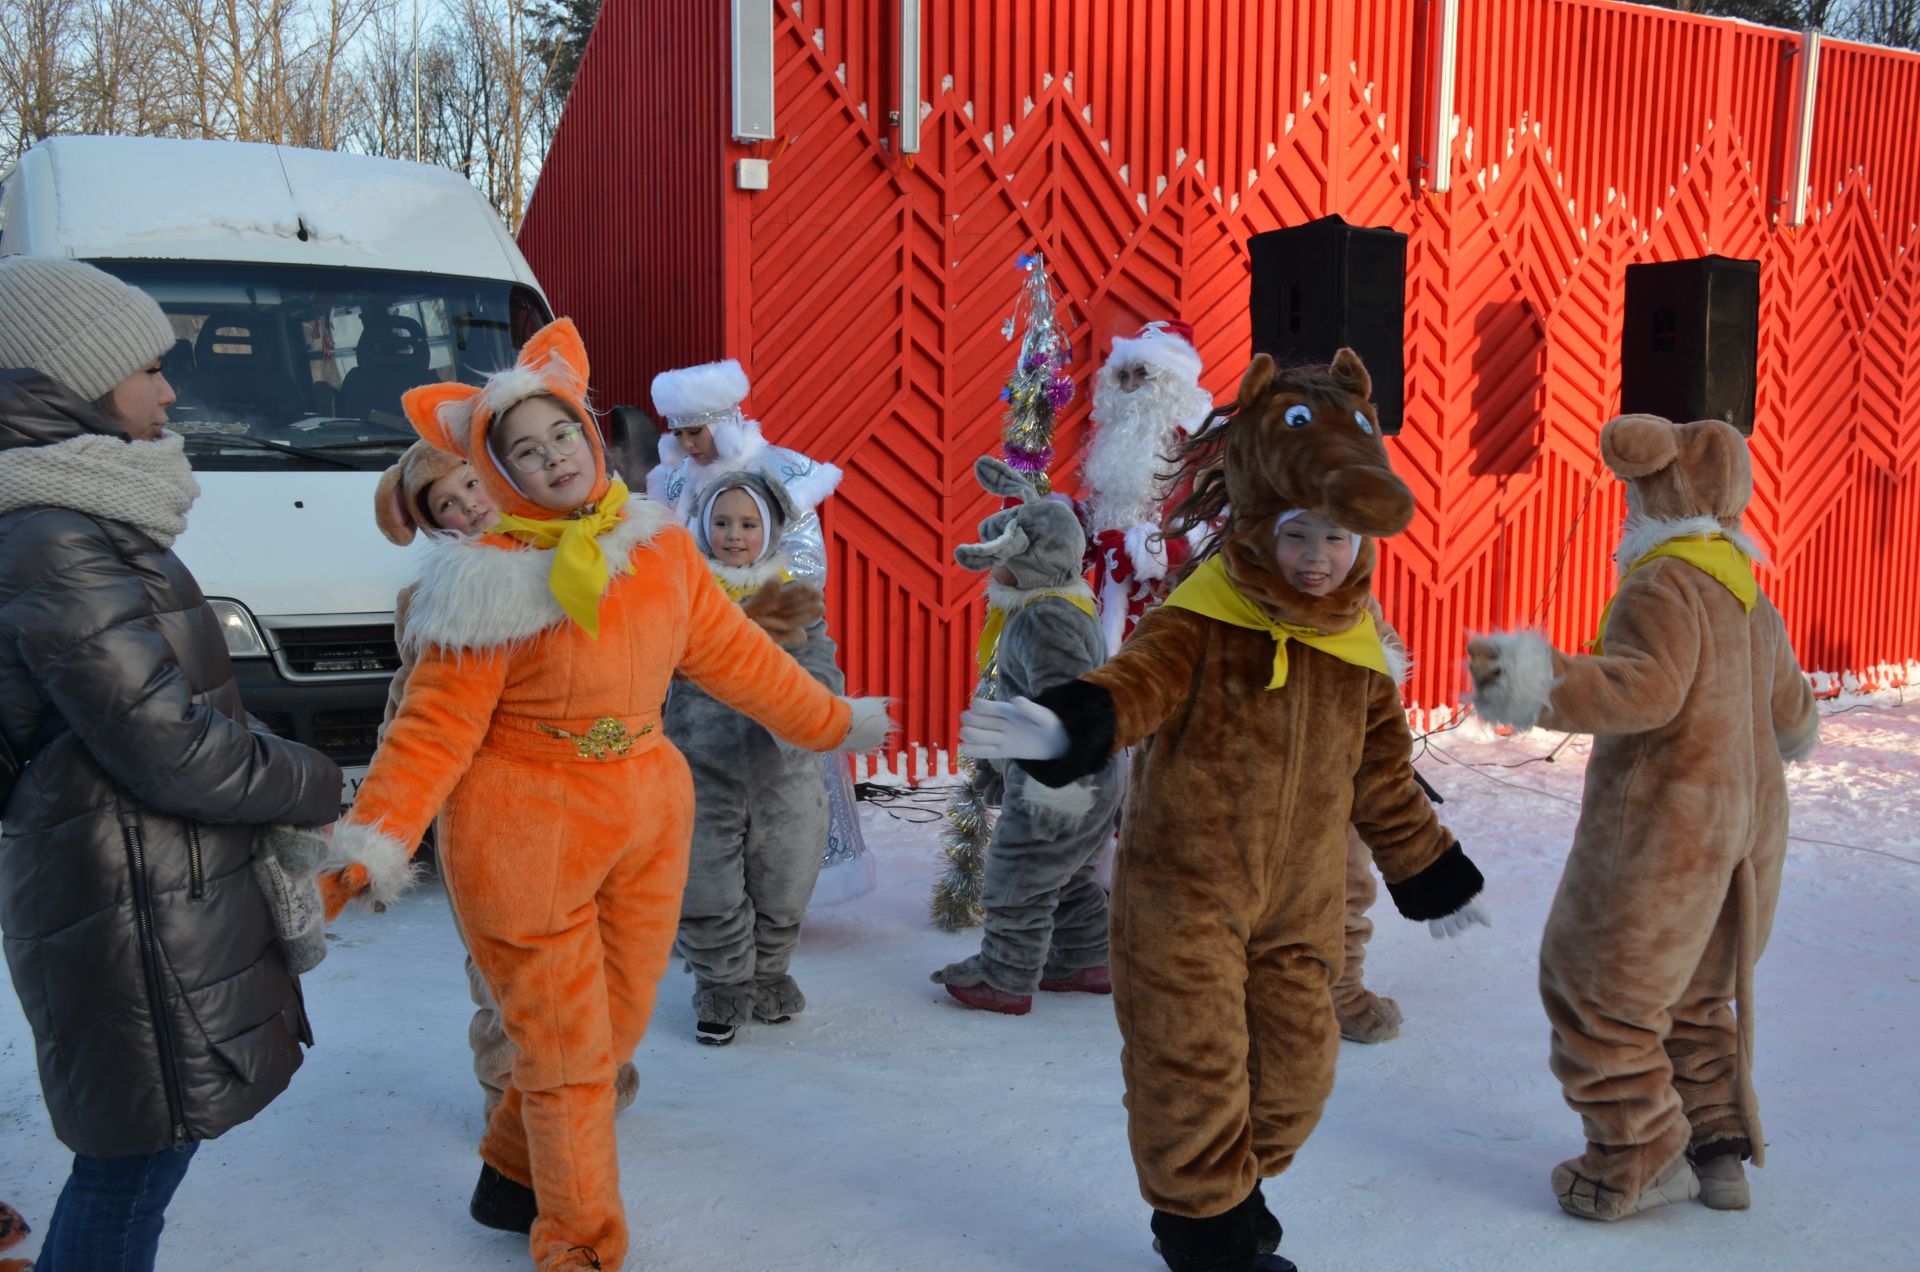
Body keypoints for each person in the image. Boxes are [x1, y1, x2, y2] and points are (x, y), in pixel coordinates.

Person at [317, 319, 891, 1272]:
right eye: (524, 452)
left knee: (617, 1027)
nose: (552, 460)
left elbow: (739, 658)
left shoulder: (662, 553)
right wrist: (369, 841)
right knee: (570, 1052)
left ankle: (510, 1173)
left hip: (646, 814)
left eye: (564, 437)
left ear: (593, 436)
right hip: (521, 827)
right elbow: (430, 732)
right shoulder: (482, 586)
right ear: (498, 474)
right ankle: (579, 1239)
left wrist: (832, 721)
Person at [961, 350, 1490, 1272]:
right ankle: (1207, 1239)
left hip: (1300, 904)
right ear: (1256, 526)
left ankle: (1232, 1197)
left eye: (1336, 538)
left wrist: (1431, 872)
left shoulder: (1357, 653)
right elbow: (1134, 684)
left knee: (1295, 1079)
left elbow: (1384, 776)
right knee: (1191, 1073)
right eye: (1296, 535)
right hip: (1185, 896)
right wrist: (1067, 729)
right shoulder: (1202, 618)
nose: (1317, 558)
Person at [0, 256, 341, 1272]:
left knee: (141, 1157)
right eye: (149, 368)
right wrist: (318, 780)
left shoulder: (81, 519)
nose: (169, 389)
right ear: (71, 383)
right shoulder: (53, 538)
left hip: (144, 888)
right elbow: (170, 744)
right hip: (131, 904)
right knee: (133, 1164)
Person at [1468, 413, 1818, 1221]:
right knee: (1697, 997)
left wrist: (1529, 677)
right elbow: (1795, 713)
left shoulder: (1664, 583)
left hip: (1665, 833)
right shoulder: (1747, 596)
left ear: (1655, 495)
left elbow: (1642, 688)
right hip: (1748, 839)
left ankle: (1639, 1153)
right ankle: (1717, 1150)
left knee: (1596, 990)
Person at [372, 442, 639, 1117]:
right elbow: (409, 712)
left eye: (471, 486)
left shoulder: (581, 557)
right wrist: (388, 821)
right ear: (437, 530)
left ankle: (600, 1087)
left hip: (589, 801)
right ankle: (514, 1112)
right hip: (493, 819)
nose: (470, 509)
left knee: (598, 958)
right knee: (503, 977)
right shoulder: (431, 602)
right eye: (449, 509)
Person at [647, 358, 874, 906]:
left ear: (722, 422)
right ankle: (710, 892)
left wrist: (745, 603)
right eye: (677, 433)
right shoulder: (675, 480)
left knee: (781, 781)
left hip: (768, 644)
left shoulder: (777, 472)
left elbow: (804, 564)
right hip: (697, 656)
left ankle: (788, 893)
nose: (686, 444)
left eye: (694, 431)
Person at [931, 457, 1122, 1014]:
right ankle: (1087, 958)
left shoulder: (1044, 618)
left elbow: (1062, 701)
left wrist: (1022, 754)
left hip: (1060, 778)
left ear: (1028, 560)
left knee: (1019, 873)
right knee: (1064, 876)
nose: (994, 570)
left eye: (1003, 558)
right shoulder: (1065, 598)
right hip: (1091, 774)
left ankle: (1005, 976)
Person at [669, 470, 848, 1044]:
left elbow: (822, 666)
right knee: (706, 884)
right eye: (722, 523)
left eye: (748, 524)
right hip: (702, 769)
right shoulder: (683, 595)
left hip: (782, 773)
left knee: (784, 881)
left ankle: (769, 976)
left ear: (768, 532)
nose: (734, 536)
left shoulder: (794, 599)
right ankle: (720, 986)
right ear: (703, 528)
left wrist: (818, 708)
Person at [1079, 319, 1215, 653]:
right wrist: (1059, 522)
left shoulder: (1207, 445)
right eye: (1122, 376)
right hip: (1110, 614)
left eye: (1142, 374)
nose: (1129, 387)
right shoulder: (1119, 444)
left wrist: (1152, 552)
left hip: (1175, 615)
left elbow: (1223, 526)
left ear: (1173, 380)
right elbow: (1097, 527)